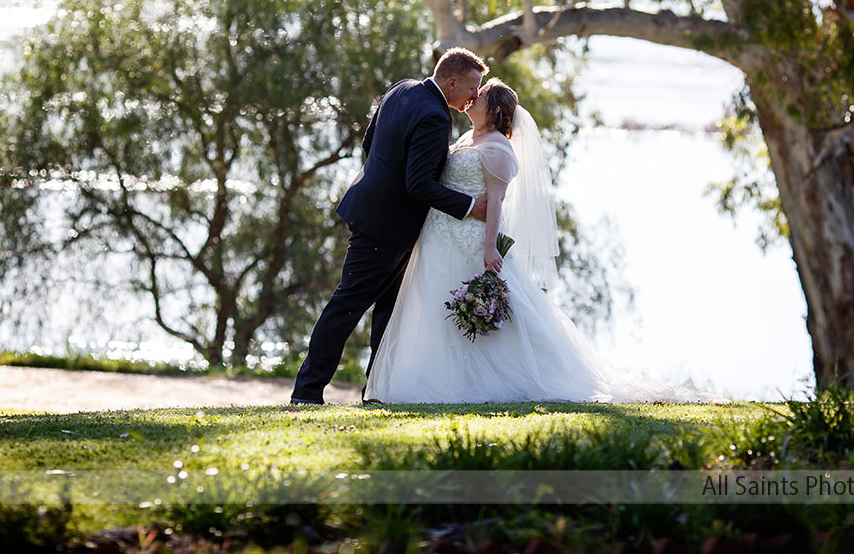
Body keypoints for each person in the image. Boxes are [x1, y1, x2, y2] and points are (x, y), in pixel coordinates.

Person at [365, 78, 719, 404]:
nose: (472, 98)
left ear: (496, 111)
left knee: (480, 313)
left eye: (481, 95)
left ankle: (487, 380)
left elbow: (497, 203)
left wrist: (490, 248)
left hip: (471, 243)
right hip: (439, 239)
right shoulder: (465, 140)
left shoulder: (498, 149)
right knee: (433, 309)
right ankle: (431, 377)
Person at [289, 48, 490, 405]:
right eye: (473, 87)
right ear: (452, 81)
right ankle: (307, 391)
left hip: (375, 212)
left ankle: (376, 391)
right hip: (388, 226)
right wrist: (472, 207)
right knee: (347, 306)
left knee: (388, 311)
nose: (476, 95)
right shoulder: (435, 116)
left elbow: (370, 143)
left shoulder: (402, 89)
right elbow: (419, 185)